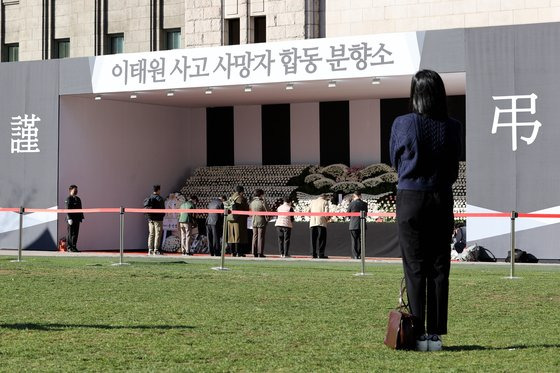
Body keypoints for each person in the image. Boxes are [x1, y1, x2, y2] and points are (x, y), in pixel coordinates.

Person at [390, 69, 461, 352]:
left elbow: (395, 159)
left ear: (415, 93)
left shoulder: (402, 122)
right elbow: (455, 166)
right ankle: (436, 335)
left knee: (415, 266)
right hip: (441, 196)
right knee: (440, 267)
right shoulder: (453, 125)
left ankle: (417, 333)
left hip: (410, 197)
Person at [227, 185, 249, 257]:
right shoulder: (241, 198)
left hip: (230, 219)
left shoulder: (231, 197)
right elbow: (246, 208)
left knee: (231, 236)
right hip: (239, 220)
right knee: (238, 236)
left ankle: (232, 252)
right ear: (241, 192)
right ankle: (239, 252)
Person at [144, 185, 166, 255]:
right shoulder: (160, 199)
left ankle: (150, 250)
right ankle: (156, 250)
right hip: (158, 219)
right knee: (158, 234)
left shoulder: (150, 197)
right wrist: (162, 216)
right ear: (158, 190)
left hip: (150, 219)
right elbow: (163, 210)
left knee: (151, 234)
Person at [348, 191, 368, 259]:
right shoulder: (364, 204)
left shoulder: (352, 204)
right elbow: (366, 214)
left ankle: (355, 255)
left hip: (353, 224)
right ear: (360, 196)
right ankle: (361, 255)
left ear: (354, 196)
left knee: (354, 240)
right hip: (362, 223)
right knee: (362, 241)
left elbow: (348, 213)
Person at [308, 193, 330, 259]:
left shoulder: (313, 202)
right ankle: (321, 254)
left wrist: (311, 217)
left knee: (313, 239)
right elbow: (326, 213)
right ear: (325, 197)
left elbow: (307, 211)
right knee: (322, 239)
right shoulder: (325, 202)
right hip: (321, 222)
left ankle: (313, 254)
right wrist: (327, 219)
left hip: (313, 222)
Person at [65, 185, 84, 252]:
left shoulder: (78, 199)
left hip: (77, 219)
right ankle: (69, 247)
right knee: (70, 233)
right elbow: (67, 209)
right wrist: (69, 218)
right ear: (70, 190)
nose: (76, 191)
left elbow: (80, 208)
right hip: (71, 219)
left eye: (77, 190)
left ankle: (74, 247)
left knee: (75, 234)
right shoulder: (68, 199)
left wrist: (81, 217)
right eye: (74, 189)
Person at [250, 189, 268, 258]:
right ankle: (260, 252)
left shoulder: (252, 202)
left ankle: (254, 252)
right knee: (261, 237)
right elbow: (267, 210)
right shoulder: (262, 202)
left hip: (254, 220)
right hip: (261, 221)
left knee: (254, 236)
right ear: (261, 195)